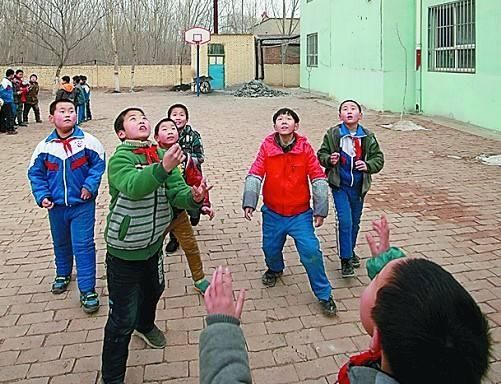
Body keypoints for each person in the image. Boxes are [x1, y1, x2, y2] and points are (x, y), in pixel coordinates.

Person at [198, 216, 492, 384]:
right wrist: (385, 263)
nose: (372, 275)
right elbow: (412, 304)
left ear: (376, 340)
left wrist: (222, 329)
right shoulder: (441, 362)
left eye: (374, 280)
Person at [101, 107, 210, 384]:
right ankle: (112, 377)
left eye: (143, 117)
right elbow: (134, 186)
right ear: (121, 132)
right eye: (133, 118)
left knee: (155, 289)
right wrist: (163, 169)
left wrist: (194, 198)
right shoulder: (120, 159)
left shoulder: (163, 155)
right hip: (124, 252)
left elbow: (177, 194)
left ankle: (146, 325)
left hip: (153, 247)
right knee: (121, 319)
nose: (142, 120)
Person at [242, 107, 336, 316]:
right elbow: (255, 172)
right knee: (270, 248)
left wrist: (320, 209)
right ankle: (275, 269)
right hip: (273, 213)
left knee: (311, 252)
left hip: (300, 215)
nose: (284, 121)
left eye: (289, 118)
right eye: (280, 119)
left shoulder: (305, 149)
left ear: (296, 125)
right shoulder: (267, 147)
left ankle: (324, 294)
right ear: (274, 126)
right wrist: (249, 201)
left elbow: (318, 177)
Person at [27, 98, 106, 314]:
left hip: (82, 206)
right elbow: (35, 173)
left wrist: (90, 186)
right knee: (61, 243)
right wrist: (42, 195)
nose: (68, 114)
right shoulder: (45, 147)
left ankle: (87, 289)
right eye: (62, 111)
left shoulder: (89, 142)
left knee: (83, 245)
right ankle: (62, 273)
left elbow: (98, 165)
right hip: (56, 208)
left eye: (72, 110)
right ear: (52, 118)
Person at [318, 99, 385, 277]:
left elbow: (379, 158)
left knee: (355, 222)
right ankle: (345, 259)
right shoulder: (333, 134)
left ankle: (351, 249)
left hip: (359, 188)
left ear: (360, 115)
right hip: (340, 185)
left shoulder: (368, 137)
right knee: (345, 221)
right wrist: (329, 159)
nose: (349, 111)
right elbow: (321, 154)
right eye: (345, 109)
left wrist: (368, 165)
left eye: (353, 109)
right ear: (340, 115)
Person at [155, 117, 213, 294]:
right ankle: (152, 280)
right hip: (157, 215)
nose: (170, 130)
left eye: (172, 128)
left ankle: (199, 279)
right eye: (164, 129)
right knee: (153, 250)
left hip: (179, 213)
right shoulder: (151, 156)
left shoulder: (186, 159)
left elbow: (197, 181)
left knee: (191, 246)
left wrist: (203, 203)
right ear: (156, 137)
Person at [166, 102, 205, 252]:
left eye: (181, 115)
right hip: (173, 179)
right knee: (174, 209)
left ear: (187, 119)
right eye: (174, 115)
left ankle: (196, 212)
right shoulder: (166, 136)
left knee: (193, 207)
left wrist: (184, 158)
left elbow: (200, 157)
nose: (178, 118)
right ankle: (174, 239)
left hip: (191, 177)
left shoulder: (194, 136)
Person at [0, 68, 16, 135]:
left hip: (6, 101)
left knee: (3, 115)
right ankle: (10, 129)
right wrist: (8, 98)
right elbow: (2, 92)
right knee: (9, 115)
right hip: (7, 101)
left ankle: (3, 128)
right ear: (11, 75)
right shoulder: (5, 82)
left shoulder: (8, 81)